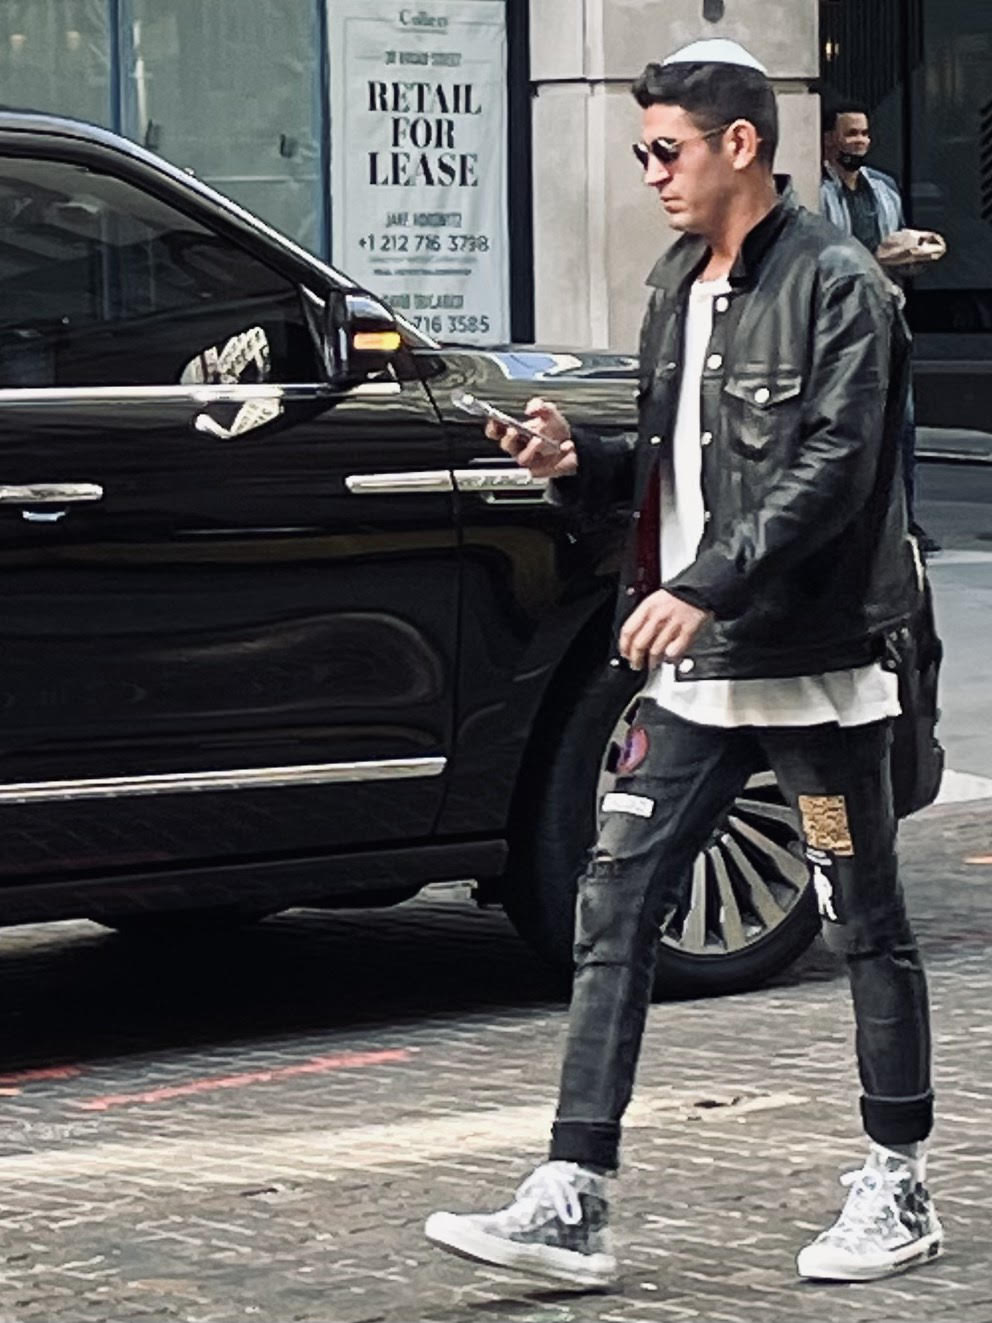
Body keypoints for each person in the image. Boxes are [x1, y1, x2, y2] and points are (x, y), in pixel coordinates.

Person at [424, 39, 941, 1291]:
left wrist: (703, 585)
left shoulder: (838, 287)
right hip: (695, 677)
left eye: (665, 150)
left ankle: (896, 1182)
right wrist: (577, 464)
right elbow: (675, 465)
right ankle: (573, 1193)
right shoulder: (674, 281)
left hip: (811, 671)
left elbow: (832, 472)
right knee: (612, 904)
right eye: (640, 151)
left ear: (738, 145)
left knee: (857, 917)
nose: (649, 173)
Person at [821, 101, 944, 555]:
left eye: (865, 134)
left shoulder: (883, 188)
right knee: (846, 425)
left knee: (901, 423)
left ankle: (904, 519)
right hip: (839, 322)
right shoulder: (818, 192)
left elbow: (895, 248)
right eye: (851, 134)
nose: (860, 142)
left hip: (887, 315)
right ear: (828, 140)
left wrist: (913, 254)